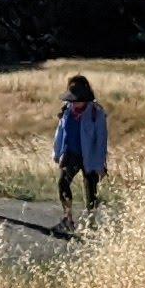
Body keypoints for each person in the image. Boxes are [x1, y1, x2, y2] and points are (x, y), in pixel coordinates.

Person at [52, 74, 109, 229]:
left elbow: (101, 140)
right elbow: (60, 133)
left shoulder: (96, 113)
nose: (74, 103)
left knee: (91, 189)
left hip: (90, 155)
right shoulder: (67, 110)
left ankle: (91, 222)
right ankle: (68, 219)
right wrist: (57, 153)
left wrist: (101, 164)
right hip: (71, 153)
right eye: (72, 100)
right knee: (63, 183)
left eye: (77, 100)